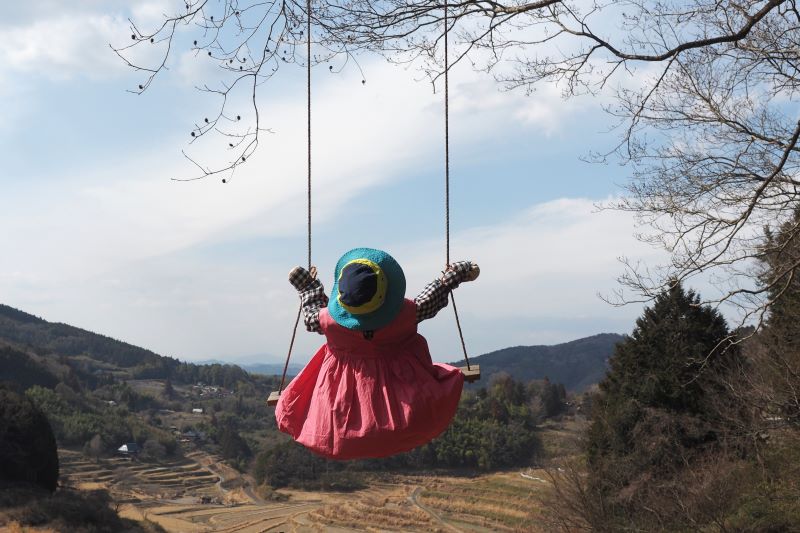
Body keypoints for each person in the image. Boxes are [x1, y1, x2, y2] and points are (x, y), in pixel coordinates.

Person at [274, 247, 480, 459]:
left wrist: (307, 286)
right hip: (406, 401)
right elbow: (433, 296)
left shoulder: (329, 321)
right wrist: (455, 275)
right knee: (425, 408)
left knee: (325, 419)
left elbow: (310, 315)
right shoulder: (406, 314)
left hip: (339, 406)